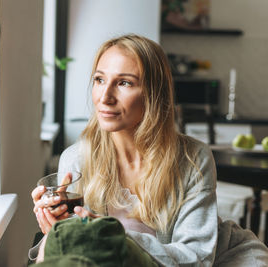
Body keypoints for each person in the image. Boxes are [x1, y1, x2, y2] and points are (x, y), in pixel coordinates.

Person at [31, 34, 268, 266]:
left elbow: (196, 257)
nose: (105, 97)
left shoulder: (192, 157)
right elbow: (86, 248)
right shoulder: (76, 159)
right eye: (99, 79)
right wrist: (58, 227)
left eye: (124, 83)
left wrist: (114, 235)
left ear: (154, 94)